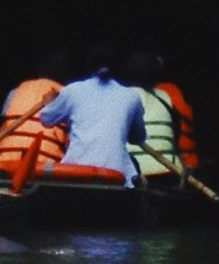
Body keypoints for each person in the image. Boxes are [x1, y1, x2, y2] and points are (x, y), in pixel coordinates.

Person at [35, 48, 144, 184]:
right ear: (117, 67)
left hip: (76, 171)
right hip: (117, 172)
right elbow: (138, 138)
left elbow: (46, 119)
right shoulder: (132, 96)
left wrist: (50, 103)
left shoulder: (72, 90)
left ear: (89, 66)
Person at [120, 51, 198, 182]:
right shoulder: (167, 96)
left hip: (134, 174)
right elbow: (177, 135)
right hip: (170, 171)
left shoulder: (120, 98)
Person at [0, 71, 65, 184]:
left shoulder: (16, 91)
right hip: (42, 170)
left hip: (4, 165)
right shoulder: (66, 95)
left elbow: (2, 124)